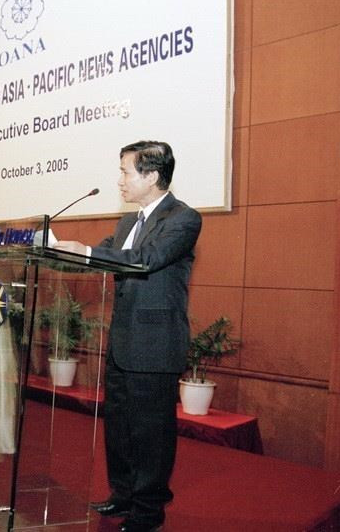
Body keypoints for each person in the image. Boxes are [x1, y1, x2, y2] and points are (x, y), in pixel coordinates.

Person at [54, 140, 201, 532]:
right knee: (119, 427)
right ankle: (122, 494)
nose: (119, 180)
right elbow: (100, 255)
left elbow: (146, 260)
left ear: (151, 176)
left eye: (125, 171)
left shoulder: (183, 219)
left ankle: (148, 512)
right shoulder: (126, 224)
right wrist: (55, 250)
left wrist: (85, 251)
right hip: (122, 344)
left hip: (155, 346)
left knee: (151, 434)